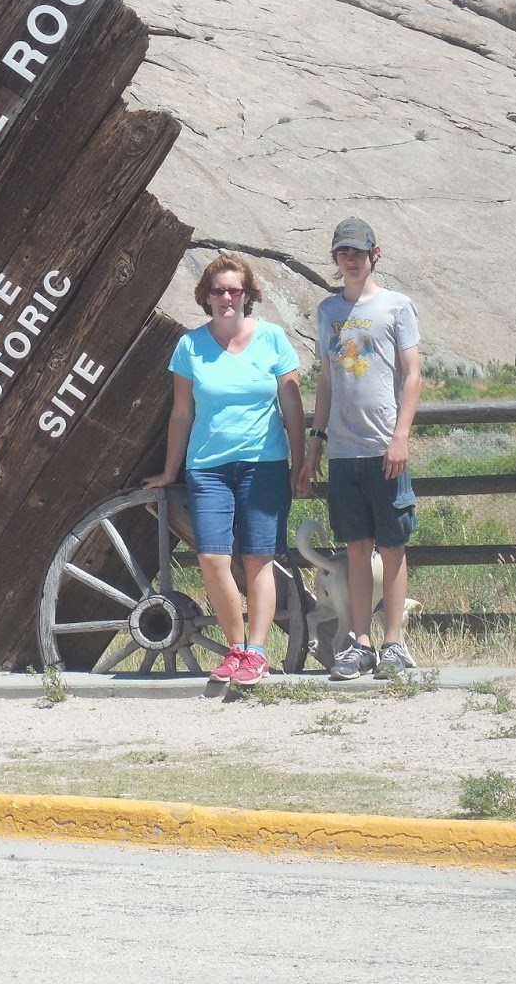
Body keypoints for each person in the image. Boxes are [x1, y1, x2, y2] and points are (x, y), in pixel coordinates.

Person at [143, 253, 305, 687]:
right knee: (213, 558)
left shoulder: (273, 339)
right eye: (219, 291)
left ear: (247, 294)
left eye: (235, 290)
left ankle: (257, 652)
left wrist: (300, 460)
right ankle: (236, 648)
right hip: (208, 467)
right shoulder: (190, 347)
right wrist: (170, 471)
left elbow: (291, 404)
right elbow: (182, 413)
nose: (227, 298)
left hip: (264, 464)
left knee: (258, 559)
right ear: (207, 296)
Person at [306, 217, 423, 680]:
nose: (350, 260)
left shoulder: (396, 307)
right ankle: (361, 642)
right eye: (343, 253)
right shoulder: (328, 311)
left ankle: (394, 641)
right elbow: (327, 379)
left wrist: (400, 436)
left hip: (383, 446)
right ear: (335, 259)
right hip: (344, 450)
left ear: (375, 254)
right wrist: (317, 440)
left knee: (392, 545)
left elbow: (412, 375)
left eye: (358, 252)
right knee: (356, 547)